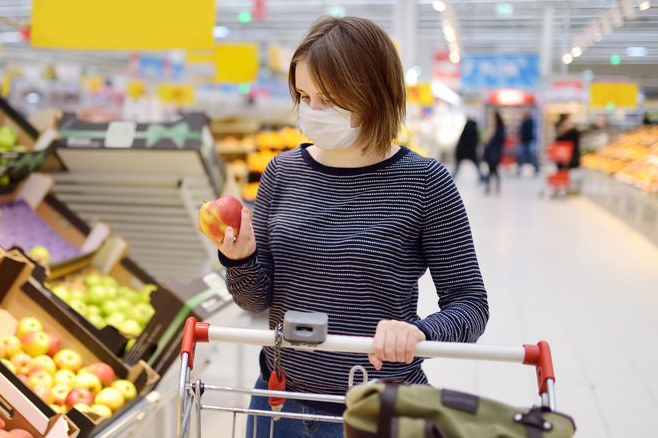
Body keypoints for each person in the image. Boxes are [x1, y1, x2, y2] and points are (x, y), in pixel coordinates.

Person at [198, 16, 489, 438]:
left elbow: (471, 304)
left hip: (377, 407)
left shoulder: (424, 183)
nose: (313, 112)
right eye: (304, 95)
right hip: (278, 401)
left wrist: (418, 332)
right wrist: (239, 260)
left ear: (374, 94)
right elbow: (257, 300)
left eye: (330, 99)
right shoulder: (282, 171)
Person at [452, 116, 485, 181]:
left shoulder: (467, 127)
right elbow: (475, 140)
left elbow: (462, 140)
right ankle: (481, 176)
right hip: (470, 151)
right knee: (476, 164)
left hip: (462, 151)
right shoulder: (474, 128)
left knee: (457, 167)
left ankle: (450, 178)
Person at [483, 111, 505, 194]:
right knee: (491, 170)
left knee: (493, 170)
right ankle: (490, 187)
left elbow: (500, 141)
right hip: (492, 152)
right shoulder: (495, 128)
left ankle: (492, 187)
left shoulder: (500, 129)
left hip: (494, 152)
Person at [517, 110, 539, 176]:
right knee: (523, 156)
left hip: (528, 141)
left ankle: (536, 167)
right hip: (524, 141)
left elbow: (527, 132)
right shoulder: (525, 121)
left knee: (529, 156)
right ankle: (519, 168)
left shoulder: (529, 121)